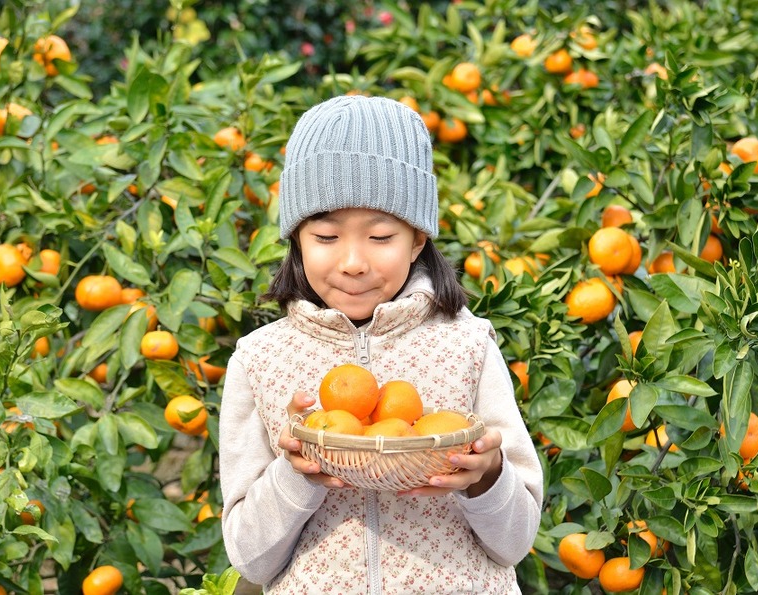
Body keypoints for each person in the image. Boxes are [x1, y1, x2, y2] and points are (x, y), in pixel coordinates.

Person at [219, 95, 543, 594]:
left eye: (381, 236)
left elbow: (515, 542)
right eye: (326, 236)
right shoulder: (260, 360)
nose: (352, 261)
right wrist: (295, 474)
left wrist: (488, 475)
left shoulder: (467, 344)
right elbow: (250, 559)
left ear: (417, 240)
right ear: (297, 240)